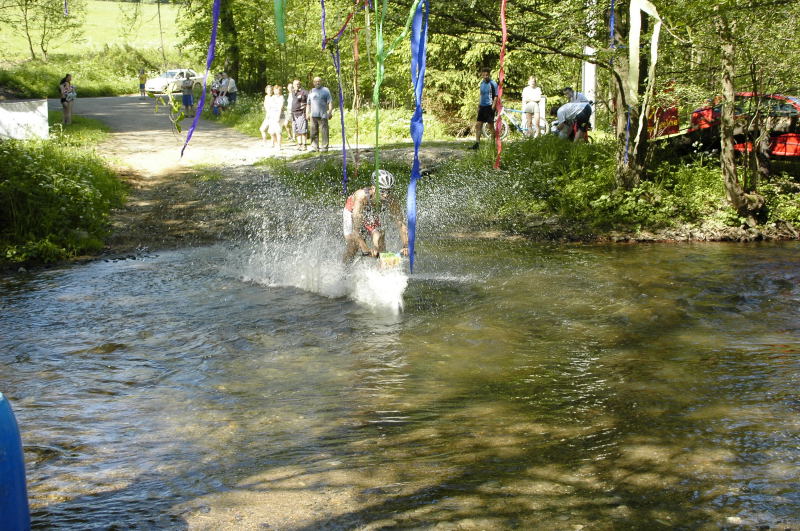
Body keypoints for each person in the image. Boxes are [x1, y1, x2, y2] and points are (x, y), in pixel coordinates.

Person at [342, 170, 409, 263]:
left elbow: (401, 224)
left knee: (380, 236)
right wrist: (365, 249)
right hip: (352, 212)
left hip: (369, 213)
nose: (386, 195)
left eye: (389, 191)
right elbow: (355, 230)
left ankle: (382, 270)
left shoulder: (392, 200)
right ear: (373, 188)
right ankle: (344, 271)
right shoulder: (361, 197)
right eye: (382, 191)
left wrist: (406, 245)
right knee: (353, 244)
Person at [471, 68, 498, 150]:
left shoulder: (493, 83)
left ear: (489, 75)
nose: (485, 76)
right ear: (482, 75)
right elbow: (481, 95)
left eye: (487, 75)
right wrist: (479, 106)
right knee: (478, 125)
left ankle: (493, 144)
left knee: (490, 126)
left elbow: (496, 96)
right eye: (484, 75)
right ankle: (477, 144)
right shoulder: (482, 83)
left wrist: (493, 107)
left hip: (489, 107)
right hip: (482, 107)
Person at [307, 76, 333, 152]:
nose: (317, 82)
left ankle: (324, 147)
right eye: (316, 81)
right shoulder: (311, 91)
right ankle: (314, 147)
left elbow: (330, 102)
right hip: (313, 115)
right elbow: (308, 103)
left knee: (324, 131)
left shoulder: (326, 90)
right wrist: (307, 113)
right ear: (313, 83)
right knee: (313, 131)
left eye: (319, 81)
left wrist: (330, 112)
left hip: (323, 114)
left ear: (321, 82)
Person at [291, 79, 309, 150]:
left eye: (298, 84)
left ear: (300, 84)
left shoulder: (304, 92)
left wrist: (306, 106)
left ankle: (304, 145)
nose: (296, 85)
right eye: (295, 84)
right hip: (294, 113)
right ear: (293, 85)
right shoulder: (293, 92)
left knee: (303, 129)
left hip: (301, 113)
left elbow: (309, 101)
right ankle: (299, 144)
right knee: (297, 129)